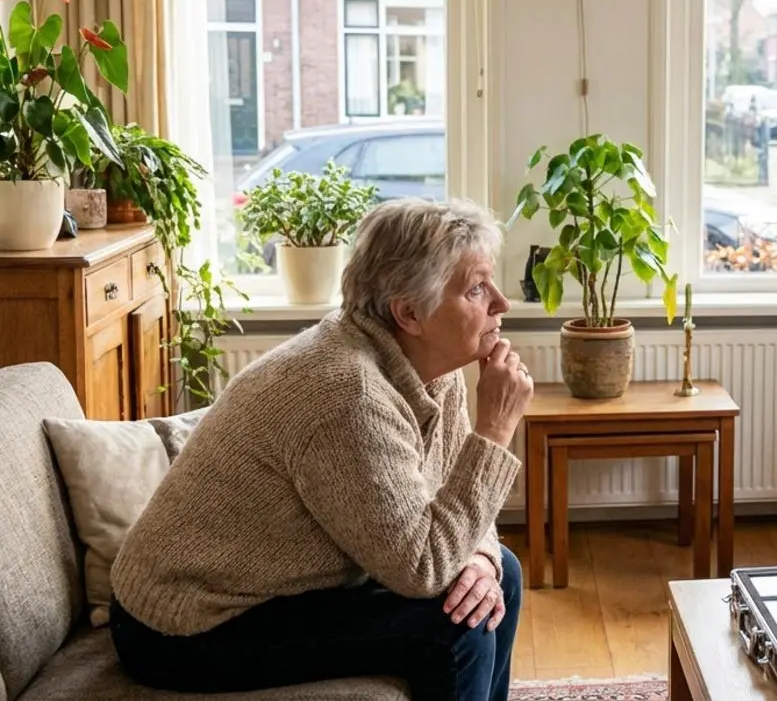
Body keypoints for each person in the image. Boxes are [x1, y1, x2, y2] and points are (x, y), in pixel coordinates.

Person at [109, 197, 532, 701]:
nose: (501, 303)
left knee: (499, 573)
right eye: (477, 288)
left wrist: (482, 559)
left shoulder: (430, 368)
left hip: (276, 592)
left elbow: (454, 496)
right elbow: (423, 567)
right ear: (409, 312)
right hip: (189, 622)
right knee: (453, 628)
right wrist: (495, 431)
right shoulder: (346, 395)